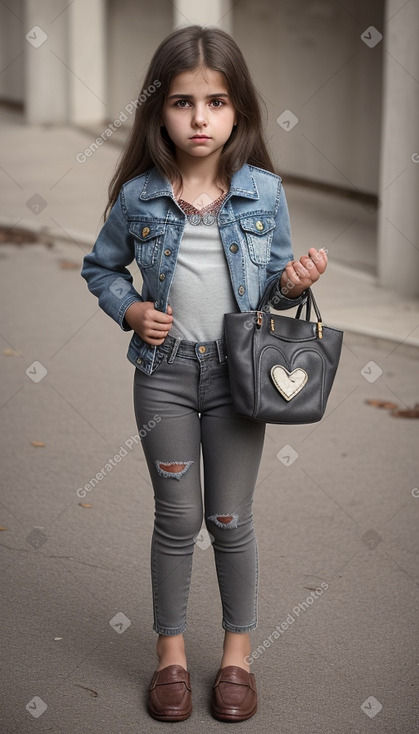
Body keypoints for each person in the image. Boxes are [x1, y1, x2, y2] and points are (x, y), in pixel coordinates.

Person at [81, 24, 327, 723]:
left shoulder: (261, 193)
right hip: (162, 375)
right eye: (183, 102)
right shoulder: (137, 197)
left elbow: (275, 296)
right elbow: (99, 268)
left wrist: (293, 280)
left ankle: (237, 659)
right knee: (177, 516)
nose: (199, 118)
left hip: (237, 376)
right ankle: (170, 658)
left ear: (238, 110)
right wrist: (129, 310)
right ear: (159, 110)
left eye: (216, 102)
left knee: (227, 516)